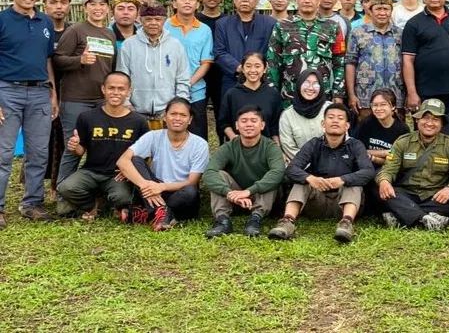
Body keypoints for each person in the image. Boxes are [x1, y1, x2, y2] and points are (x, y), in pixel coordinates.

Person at [0, 0, 59, 226]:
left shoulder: (45, 22)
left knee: (38, 153)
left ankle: (32, 203)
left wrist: (53, 92)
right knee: (3, 153)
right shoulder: (2, 20)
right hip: (7, 91)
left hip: (39, 93)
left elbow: (47, 59)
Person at [269, 103, 374, 242]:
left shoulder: (356, 145)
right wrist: (311, 179)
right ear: (323, 124)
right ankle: (287, 222)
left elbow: (368, 171)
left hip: (343, 202)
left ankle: (346, 223)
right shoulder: (313, 144)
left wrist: (342, 180)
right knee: (302, 181)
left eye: (340, 118)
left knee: (353, 183)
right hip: (316, 202)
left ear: (347, 126)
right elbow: (291, 169)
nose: (335, 120)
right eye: (331, 117)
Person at [58, 72, 148, 220]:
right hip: (91, 171)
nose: (116, 92)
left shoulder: (139, 121)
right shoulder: (87, 117)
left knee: (123, 198)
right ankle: (92, 205)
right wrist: (74, 147)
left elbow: (145, 155)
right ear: (103, 89)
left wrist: (129, 172)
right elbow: (81, 151)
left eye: (121, 89)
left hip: (117, 175)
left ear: (129, 91)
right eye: (111, 88)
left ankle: (108, 202)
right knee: (65, 188)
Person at [376, 99, 449, 230]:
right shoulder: (403, 142)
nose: (429, 123)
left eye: (435, 119)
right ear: (417, 120)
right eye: (425, 118)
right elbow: (389, 169)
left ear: (442, 123)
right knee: (379, 190)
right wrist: (384, 181)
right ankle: (424, 218)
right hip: (406, 193)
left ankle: (402, 215)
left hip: (435, 195)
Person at [117, 97, 209, 229]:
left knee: (190, 191)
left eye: (183, 115)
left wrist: (162, 187)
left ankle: (146, 213)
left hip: (179, 193)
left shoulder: (200, 144)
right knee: (135, 160)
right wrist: (145, 185)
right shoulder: (153, 136)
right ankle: (162, 214)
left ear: (190, 120)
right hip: (152, 189)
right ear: (165, 117)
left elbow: (192, 181)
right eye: (173, 114)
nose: (177, 118)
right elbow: (123, 160)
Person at [53, 0, 115, 184]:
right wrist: (80, 60)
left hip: (101, 100)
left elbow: (110, 68)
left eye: (102, 4)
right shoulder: (76, 30)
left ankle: (94, 194)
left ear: (108, 8)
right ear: (85, 7)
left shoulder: (109, 34)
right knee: (74, 147)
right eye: (93, 4)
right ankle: (64, 193)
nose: (98, 8)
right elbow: (57, 59)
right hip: (76, 100)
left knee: (99, 147)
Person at [203, 105, 285, 238]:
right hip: (235, 198)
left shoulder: (270, 147)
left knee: (271, 177)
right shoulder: (229, 147)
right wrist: (229, 193)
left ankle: (255, 219)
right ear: (237, 125)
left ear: (262, 125)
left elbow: (278, 172)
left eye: (253, 121)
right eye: (244, 120)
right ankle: (222, 220)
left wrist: (248, 191)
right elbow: (209, 172)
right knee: (219, 175)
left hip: (262, 197)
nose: (248, 125)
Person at [266, 0, 346, 111]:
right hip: (290, 95)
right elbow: (273, 61)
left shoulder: (332, 27)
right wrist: (272, 92)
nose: (307, 0)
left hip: (321, 94)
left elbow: (340, 62)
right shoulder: (282, 26)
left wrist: (338, 92)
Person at [117, 1, 190, 126]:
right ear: (140, 20)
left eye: (158, 19)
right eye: (148, 19)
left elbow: (183, 78)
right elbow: (122, 77)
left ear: (164, 20)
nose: (153, 23)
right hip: (136, 111)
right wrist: (126, 104)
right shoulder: (129, 45)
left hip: (167, 112)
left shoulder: (175, 45)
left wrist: (178, 106)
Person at [164, 0, 214, 140]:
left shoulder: (204, 29)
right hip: (167, 89)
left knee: (197, 135)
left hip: (196, 91)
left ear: (197, 4)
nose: (187, 2)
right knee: (169, 136)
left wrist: (188, 82)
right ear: (174, 3)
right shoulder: (164, 26)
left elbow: (206, 62)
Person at [214, 0, 277, 98]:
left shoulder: (269, 24)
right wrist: (240, 68)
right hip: (231, 81)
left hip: (260, 82)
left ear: (258, 0)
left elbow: (272, 52)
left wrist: (256, 69)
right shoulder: (222, 24)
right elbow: (219, 52)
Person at [344, 0, 402, 119]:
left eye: (386, 9)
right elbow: (350, 63)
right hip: (365, 98)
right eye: (378, 9)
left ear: (391, 11)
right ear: (370, 11)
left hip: (395, 96)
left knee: (395, 133)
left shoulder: (400, 34)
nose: (382, 13)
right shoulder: (358, 33)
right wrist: (352, 95)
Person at [42, 0, 73, 188]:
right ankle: (35, 186)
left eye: (63, 2)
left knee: (64, 140)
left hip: (70, 90)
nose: (58, 7)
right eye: (53, 3)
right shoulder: (39, 29)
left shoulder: (74, 31)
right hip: (42, 90)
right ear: (45, 6)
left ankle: (57, 184)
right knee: (41, 140)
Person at [219, 52, 281, 143]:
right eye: (248, 66)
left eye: (257, 66)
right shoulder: (232, 94)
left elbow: (275, 127)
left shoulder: (273, 94)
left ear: (264, 69)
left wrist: (277, 148)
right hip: (239, 148)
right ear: (242, 69)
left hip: (266, 149)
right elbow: (223, 123)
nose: (252, 70)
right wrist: (233, 138)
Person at [278, 69, 329, 161]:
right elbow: (289, 148)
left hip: (332, 165)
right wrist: (311, 165)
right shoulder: (287, 115)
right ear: (299, 84)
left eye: (315, 83)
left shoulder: (330, 109)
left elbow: (343, 139)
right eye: (306, 82)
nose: (310, 88)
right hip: (301, 168)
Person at [354, 89, 409, 171]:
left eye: (383, 104)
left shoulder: (402, 129)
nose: (378, 108)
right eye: (375, 105)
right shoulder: (366, 124)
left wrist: (373, 157)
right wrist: (385, 153)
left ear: (393, 106)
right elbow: (357, 151)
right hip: (366, 167)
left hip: (391, 169)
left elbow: (400, 158)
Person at [197, 0, 226, 124]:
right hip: (199, 72)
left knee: (223, 114)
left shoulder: (228, 21)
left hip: (222, 74)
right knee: (197, 114)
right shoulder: (195, 20)